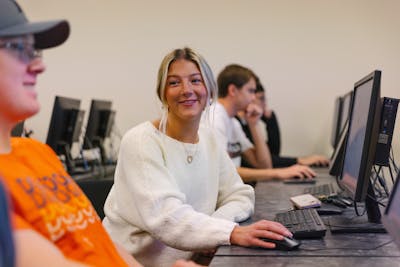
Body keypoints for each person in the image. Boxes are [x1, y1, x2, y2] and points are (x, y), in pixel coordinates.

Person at [0, 1, 198, 267]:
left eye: (34, 51)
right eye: (18, 48)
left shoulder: (38, 153)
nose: (38, 65)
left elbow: (96, 238)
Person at [102, 47, 293, 267]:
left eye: (195, 80)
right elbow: (166, 218)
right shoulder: (141, 141)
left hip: (189, 260)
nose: (186, 90)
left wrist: (212, 230)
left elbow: (240, 195)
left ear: (210, 89)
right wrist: (227, 232)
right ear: (162, 93)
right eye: (174, 83)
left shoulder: (208, 138)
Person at [211, 64, 316, 183]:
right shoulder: (215, 119)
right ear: (233, 90)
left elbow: (264, 165)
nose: (253, 98)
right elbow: (221, 172)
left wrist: (254, 124)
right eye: (250, 91)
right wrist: (278, 173)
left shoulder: (233, 123)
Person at [237, 76, 330, 168]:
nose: (265, 104)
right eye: (261, 98)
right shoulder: (236, 124)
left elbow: (271, 154)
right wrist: (299, 161)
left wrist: (270, 120)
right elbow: (263, 161)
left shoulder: (246, 123)